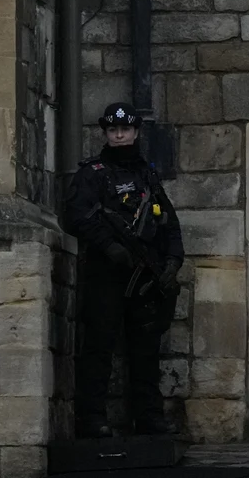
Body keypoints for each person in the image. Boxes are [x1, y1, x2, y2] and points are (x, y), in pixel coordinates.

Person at [61, 103, 186, 439]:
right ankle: (92, 419)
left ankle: (149, 418)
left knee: (146, 351)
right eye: (113, 130)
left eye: (125, 130)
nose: (119, 135)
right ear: (105, 133)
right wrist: (109, 246)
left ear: (135, 132)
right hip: (107, 275)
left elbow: (169, 225)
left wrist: (173, 261)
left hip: (144, 278)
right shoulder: (93, 173)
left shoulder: (147, 175)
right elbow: (76, 216)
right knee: (99, 348)